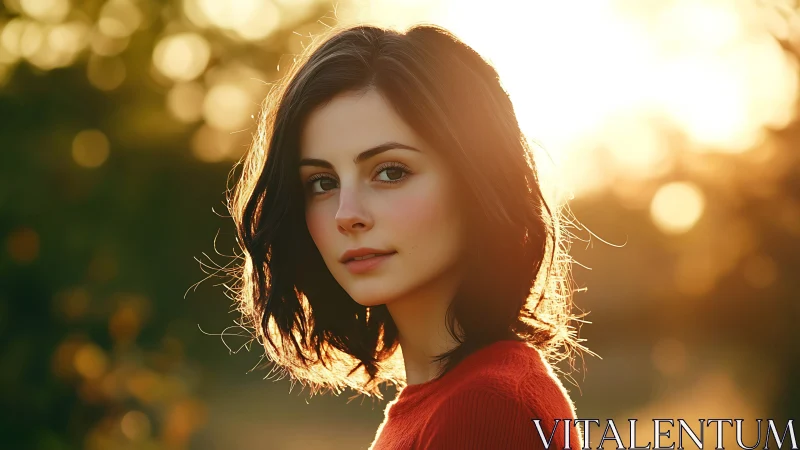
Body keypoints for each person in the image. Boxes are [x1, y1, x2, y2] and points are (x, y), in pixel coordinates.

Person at [228, 23, 588, 450]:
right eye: (323, 182)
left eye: (390, 172)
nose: (347, 215)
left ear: (477, 181)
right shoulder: (443, 402)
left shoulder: (487, 409)